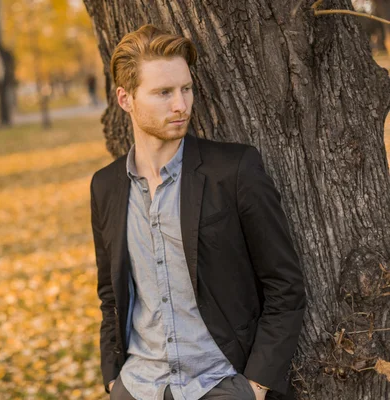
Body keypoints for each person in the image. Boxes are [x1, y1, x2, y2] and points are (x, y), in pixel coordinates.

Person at [89, 25, 306, 400]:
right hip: (138, 385)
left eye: (186, 89)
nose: (181, 105)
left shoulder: (234, 171)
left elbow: (284, 284)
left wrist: (254, 387)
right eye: (163, 93)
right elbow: (111, 293)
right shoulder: (106, 186)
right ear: (125, 99)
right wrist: (113, 380)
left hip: (220, 384)